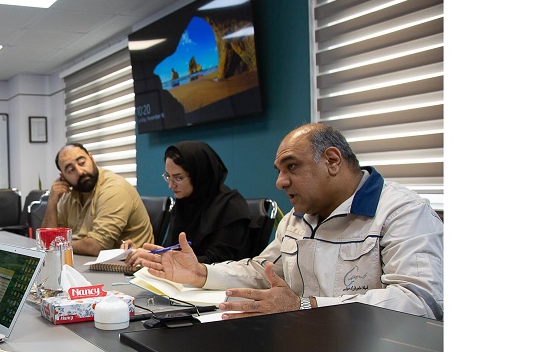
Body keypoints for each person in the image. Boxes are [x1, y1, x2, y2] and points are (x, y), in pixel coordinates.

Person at [143, 123, 443, 320]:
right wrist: (201, 273)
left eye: (292, 167)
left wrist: (305, 306)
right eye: (279, 170)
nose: (280, 182)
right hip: (306, 343)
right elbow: (264, 271)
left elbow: (421, 303)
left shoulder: (402, 212)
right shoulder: (297, 219)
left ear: (332, 161)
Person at [123, 140, 250, 266]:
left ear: (199, 175)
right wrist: (145, 253)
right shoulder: (184, 203)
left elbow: (218, 262)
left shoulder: (230, 206)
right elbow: (172, 249)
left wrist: (162, 259)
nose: (171, 185)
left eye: (178, 178)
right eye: (168, 176)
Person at [41, 142, 154, 256]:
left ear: (92, 158)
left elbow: (96, 246)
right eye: (71, 170)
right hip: (87, 262)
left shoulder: (114, 189)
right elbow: (47, 240)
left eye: (82, 163)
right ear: (63, 176)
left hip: (129, 264)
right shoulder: (68, 194)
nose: (80, 171)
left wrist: (58, 244)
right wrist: (52, 201)